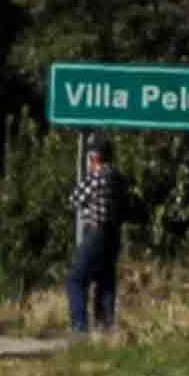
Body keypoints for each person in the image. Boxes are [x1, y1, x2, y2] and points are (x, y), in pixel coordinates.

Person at [66, 137, 124, 334]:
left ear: (94, 156)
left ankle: (79, 328)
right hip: (114, 234)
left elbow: (75, 199)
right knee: (105, 281)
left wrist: (85, 209)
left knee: (75, 279)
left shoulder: (97, 176)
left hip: (96, 232)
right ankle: (106, 326)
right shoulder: (117, 176)